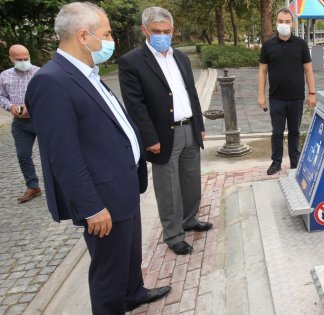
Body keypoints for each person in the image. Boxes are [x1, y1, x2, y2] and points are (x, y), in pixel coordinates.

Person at [24, 2, 170, 313]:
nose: (109, 40)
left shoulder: (86, 72)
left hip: (123, 185)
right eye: (105, 33)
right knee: (108, 273)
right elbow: (62, 156)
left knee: (129, 255)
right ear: (82, 35)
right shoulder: (52, 81)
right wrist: (91, 208)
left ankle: (133, 293)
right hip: (102, 199)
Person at [118, 6, 211, 256]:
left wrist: (199, 126)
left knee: (191, 180)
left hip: (189, 127)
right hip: (162, 136)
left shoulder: (180, 57)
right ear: (144, 30)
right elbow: (135, 105)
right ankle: (173, 235)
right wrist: (149, 138)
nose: (162, 35)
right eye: (156, 31)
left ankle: (190, 219)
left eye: (167, 31)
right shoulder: (131, 62)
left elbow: (191, 93)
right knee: (168, 188)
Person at [258, 7, 317, 176]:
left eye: (287, 22)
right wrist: (261, 95)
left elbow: (308, 70)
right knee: (276, 132)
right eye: (280, 21)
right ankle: (276, 162)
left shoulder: (301, 44)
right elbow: (262, 71)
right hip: (276, 98)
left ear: (292, 24)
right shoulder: (268, 46)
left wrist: (312, 93)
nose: (284, 25)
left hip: (296, 98)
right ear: (276, 23)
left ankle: (294, 162)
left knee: (294, 132)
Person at [0, 44, 42, 203]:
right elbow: (1, 96)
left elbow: (47, 95)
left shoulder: (39, 73)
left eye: (26, 58)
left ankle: (61, 185)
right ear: (11, 59)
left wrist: (32, 108)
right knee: (23, 155)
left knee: (51, 154)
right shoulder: (4, 76)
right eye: (19, 59)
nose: (24, 62)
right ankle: (33, 186)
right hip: (20, 124)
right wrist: (9, 106)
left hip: (40, 120)